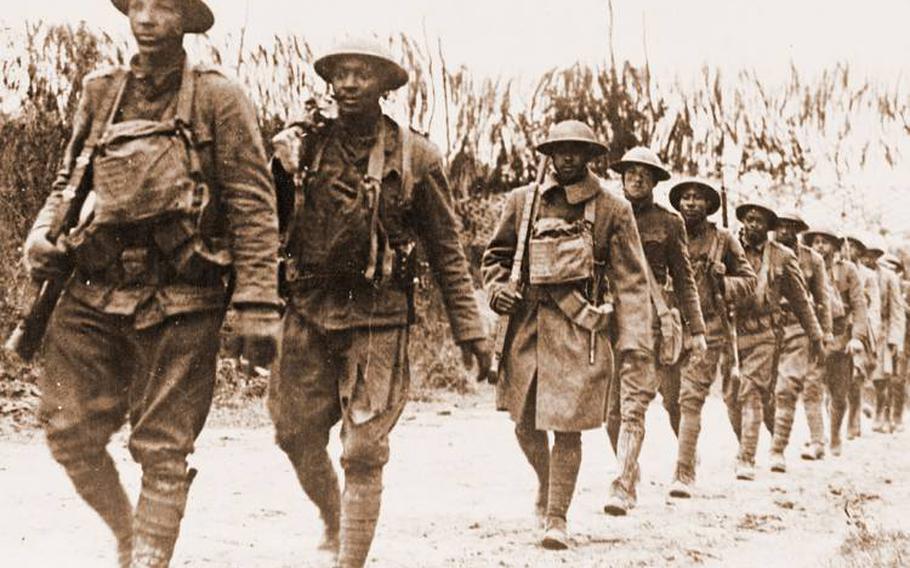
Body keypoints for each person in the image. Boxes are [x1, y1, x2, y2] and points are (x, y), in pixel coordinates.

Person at [22, 1, 282, 566]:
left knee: (163, 449)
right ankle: (127, 535)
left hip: (184, 295)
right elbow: (71, 176)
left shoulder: (219, 96)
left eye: (163, 6)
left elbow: (253, 205)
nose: (146, 18)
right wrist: (41, 233)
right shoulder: (101, 90)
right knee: (69, 432)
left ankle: (147, 557)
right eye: (137, 4)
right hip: (94, 285)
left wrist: (258, 301)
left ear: (186, 20)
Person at [268, 39, 491, 568]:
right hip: (307, 305)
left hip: (377, 313)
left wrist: (471, 331)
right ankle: (334, 516)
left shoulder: (415, 156)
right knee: (293, 432)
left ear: (384, 86)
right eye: (340, 74)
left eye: (360, 75)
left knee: (363, 449)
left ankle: (351, 559)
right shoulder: (302, 146)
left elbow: (447, 250)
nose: (347, 84)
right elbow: (261, 220)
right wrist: (278, 165)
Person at [483, 120, 652, 547]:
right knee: (524, 422)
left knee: (567, 428)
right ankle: (547, 481)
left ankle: (556, 516)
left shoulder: (614, 209)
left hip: (581, 334)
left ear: (591, 155)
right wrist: (497, 289)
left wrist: (633, 342)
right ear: (549, 153)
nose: (568, 157)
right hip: (526, 329)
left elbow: (632, 281)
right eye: (560, 149)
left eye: (577, 149)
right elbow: (496, 257)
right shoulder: (523, 202)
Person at [603, 147, 707, 515]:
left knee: (633, 406)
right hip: (608, 320)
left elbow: (684, 280)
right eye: (631, 171)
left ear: (655, 180)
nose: (636, 178)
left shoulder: (669, 222)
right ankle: (629, 467)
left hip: (648, 320)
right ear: (623, 175)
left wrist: (697, 330)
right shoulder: (606, 213)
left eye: (644, 173)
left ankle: (623, 485)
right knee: (610, 412)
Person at [665, 178, 756, 497]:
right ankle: (688, 450)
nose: (690, 203)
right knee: (670, 398)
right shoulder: (668, 232)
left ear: (708, 205)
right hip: (671, 329)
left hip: (710, 329)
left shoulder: (723, 240)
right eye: (685, 198)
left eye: (697, 198)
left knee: (691, 398)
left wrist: (723, 282)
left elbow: (749, 281)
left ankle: (683, 472)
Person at [727, 202, 822, 480]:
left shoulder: (781, 257)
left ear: (767, 227)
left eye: (759, 221)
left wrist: (816, 335)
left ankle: (748, 456)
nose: (753, 224)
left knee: (752, 390)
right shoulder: (728, 248)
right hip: (731, 334)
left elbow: (801, 301)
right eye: (749, 219)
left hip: (764, 333)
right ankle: (746, 444)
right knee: (731, 396)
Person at [769, 209, 833, 470]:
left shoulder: (812, 259)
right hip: (767, 327)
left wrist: (824, 332)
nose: (784, 231)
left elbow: (822, 297)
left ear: (798, 230)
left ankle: (777, 451)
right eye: (780, 226)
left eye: (790, 227)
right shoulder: (765, 253)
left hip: (799, 326)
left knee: (788, 388)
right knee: (763, 390)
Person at [803, 226, 868, 456]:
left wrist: (857, 337)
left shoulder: (847, 270)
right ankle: (816, 439)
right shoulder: (806, 266)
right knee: (811, 387)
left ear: (834, 246)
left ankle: (835, 434)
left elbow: (860, 305)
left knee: (839, 393)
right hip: (815, 334)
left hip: (840, 337)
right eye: (816, 242)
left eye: (825, 242)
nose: (820, 246)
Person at [844, 233, 882, 438]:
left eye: (854, 246)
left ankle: (854, 419)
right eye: (845, 245)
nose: (848, 249)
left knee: (856, 375)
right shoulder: (835, 269)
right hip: (841, 326)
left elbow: (874, 307)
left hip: (861, 328)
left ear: (860, 251)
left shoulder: (868, 275)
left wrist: (872, 333)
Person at [870, 250, 905, 432]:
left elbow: (898, 312)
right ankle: (872, 411)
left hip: (887, 332)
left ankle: (887, 414)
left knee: (888, 377)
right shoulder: (863, 274)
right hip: (868, 329)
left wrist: (895, 339)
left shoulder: (894, 281)